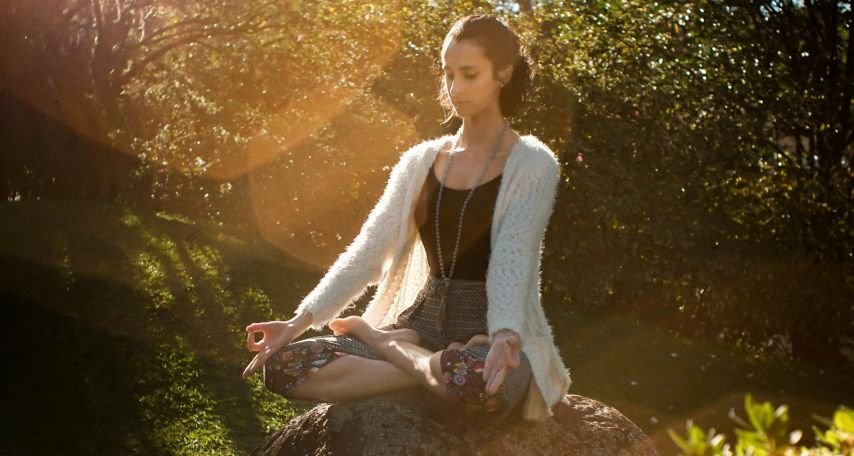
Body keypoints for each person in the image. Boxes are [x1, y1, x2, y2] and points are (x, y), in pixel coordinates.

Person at [242, 14, 572, 425]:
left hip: (489, 331)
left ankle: (385, 344)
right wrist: (296, 324)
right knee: (285, 366)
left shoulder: (534, 163)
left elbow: (513, 256)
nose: (455, 89)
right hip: (420, 321)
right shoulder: (420, 162)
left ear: (503, 74)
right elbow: (367, 252)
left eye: (469, 75)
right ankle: (423, 364)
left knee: (478, 385)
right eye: (449, 74)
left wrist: (505, 333)